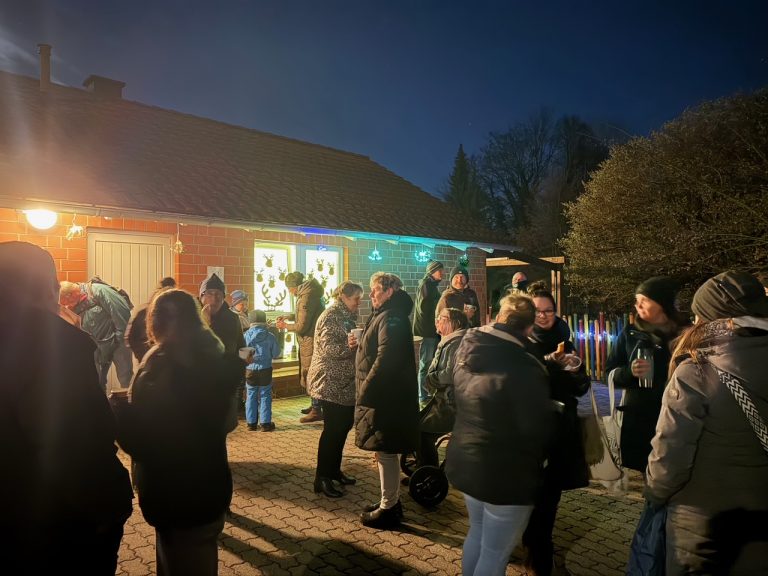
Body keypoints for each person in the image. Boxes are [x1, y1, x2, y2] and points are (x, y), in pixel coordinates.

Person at [0, 241, 133, 574]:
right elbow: (78, 449)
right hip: (53, 532)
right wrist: (112, 509)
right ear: (50, 290)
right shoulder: (51, 347)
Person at [643, 271, 768, 575]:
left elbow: (669, 460)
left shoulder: (697, 371)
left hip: (704, 530)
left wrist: (654, 495)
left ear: (711, 318)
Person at [112, 289, 244, 576]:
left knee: (180, 562)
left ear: (155, 323)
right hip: (207, 486)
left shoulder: (166, 367)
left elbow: (153, 442)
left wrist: (120, 415)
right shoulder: (211, 354)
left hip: (176, 492)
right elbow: (223, 422)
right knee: (197, 558)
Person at [446, 293, 553, 576]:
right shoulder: (524, 366)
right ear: (529, 329)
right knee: (495, 554)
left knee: (478, 534)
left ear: (498, 318)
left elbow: (454, 398)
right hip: (506, 474)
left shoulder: (468, 349)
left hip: (469, 461)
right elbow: (535, 427)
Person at [522, 287, 591, 576]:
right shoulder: (521, 342)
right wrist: (548, 364)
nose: (543, 315)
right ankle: (531, 544)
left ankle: (541, 550)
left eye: (548, 310)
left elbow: (584, 387)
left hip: (560, 429)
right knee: (530, 492)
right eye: (537, 310)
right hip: (529, 430)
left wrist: (576, 372)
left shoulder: (567, 342)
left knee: (550, 494)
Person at [355, 272, 420, 528]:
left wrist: (366, 391)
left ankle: (389, 508)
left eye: (375, 290)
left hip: (385, 396)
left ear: (389, 291)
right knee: (385, 451)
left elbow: (386, 358)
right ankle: (390, 500)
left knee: (386, 451)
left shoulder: (392, 317)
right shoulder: (386, 314)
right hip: (384, 394)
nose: (370, 294)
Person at [604, 276, 689, 473]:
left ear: (661, 303)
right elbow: (609, 372)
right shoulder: (631, 332)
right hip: (639, 416)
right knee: (647, 473)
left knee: (673, 470)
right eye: (636, 300)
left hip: (674, 414)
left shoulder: (684, 334)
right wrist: (629, 372)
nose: (638, 305)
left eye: (644, 300)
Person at [307, 281, 364, 498]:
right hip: (329, 381)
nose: (359, 303)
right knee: (333, 429)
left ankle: (334, 470)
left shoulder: (347, 316)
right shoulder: (330, 315)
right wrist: (349, 347)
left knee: (343, 426)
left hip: (344, 381)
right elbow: (327, 347)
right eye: (356, 299)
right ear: (343, 297)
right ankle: (321, 478)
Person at [415, 306, 468, 469]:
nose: (437, 320)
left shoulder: (457, 343)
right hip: (441, 398)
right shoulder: (448, 341)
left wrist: (432, 378)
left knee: (423, 433)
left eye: (442, 318)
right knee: (415, 424)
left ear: (454, 323)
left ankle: (429, 471)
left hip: (450, 404)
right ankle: (421, 468)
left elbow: (450, 373)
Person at [59, 278, 134, 391]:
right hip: (96, 348)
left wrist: (118, 339)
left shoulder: (99, 291)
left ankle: (130, 405)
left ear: (72, 294)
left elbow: (122, 314)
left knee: (125, 378)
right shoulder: (75, 303)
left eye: (67, 302)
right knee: (96, 382)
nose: (67, 306)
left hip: (117, 344)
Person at [200, 273, 246, 431]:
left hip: (224, 384)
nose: (214, 298)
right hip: (198, 386)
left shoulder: (232, 319)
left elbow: (242, 347)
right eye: (209, 293)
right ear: (201, 296)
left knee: (221, 430)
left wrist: (239, 375)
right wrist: (205, 323)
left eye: (218, 294)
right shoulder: (192, 318)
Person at [277, 271, 325, 423]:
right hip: (311, 340)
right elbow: (305, 314)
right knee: (311, 371)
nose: (289, 292)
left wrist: (285, 326)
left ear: (294, 287)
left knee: (311, 372)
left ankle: (317, 409)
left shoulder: (305, 297)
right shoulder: (310, 293)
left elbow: (302, 326)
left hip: (310, 340)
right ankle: (315, 405)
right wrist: (289, 316)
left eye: (289, 289)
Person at [413, 259, 444, 406]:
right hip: (428, 331)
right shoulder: (427, 285)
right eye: (440, 270)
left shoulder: (430, 285)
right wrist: (437, 318)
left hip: (432, 330)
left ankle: (426, 392)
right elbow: (424, 308)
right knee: (426, 362)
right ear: (432, 271)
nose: (442, 273)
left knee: (430, 361)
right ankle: (422, 395)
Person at [126, 276, 177, 362]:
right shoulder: (143, 312)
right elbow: (131, 337)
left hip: (164, 362)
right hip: (152, 361)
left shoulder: (176, 312)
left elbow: (130, 337)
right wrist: (143, 355)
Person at [244, 309, 280, 432]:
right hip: (265, 369)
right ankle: (265, 424)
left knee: (250, 395)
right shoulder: (270, 336)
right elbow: (275, 354)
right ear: (264, 321)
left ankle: (251, 423)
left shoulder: (245, 335)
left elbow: (244, 356)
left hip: (250, 370)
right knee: (265, 395)